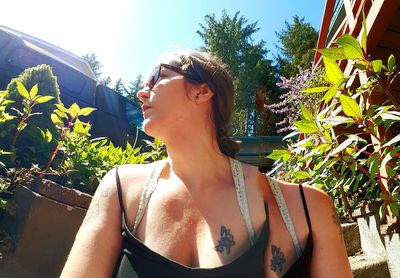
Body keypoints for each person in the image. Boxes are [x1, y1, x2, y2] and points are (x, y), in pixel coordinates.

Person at [61, 50, 352, 277]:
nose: (142, 90)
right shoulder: (121, 190)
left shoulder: (307, 208)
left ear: (201, 91)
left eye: (156, 76)